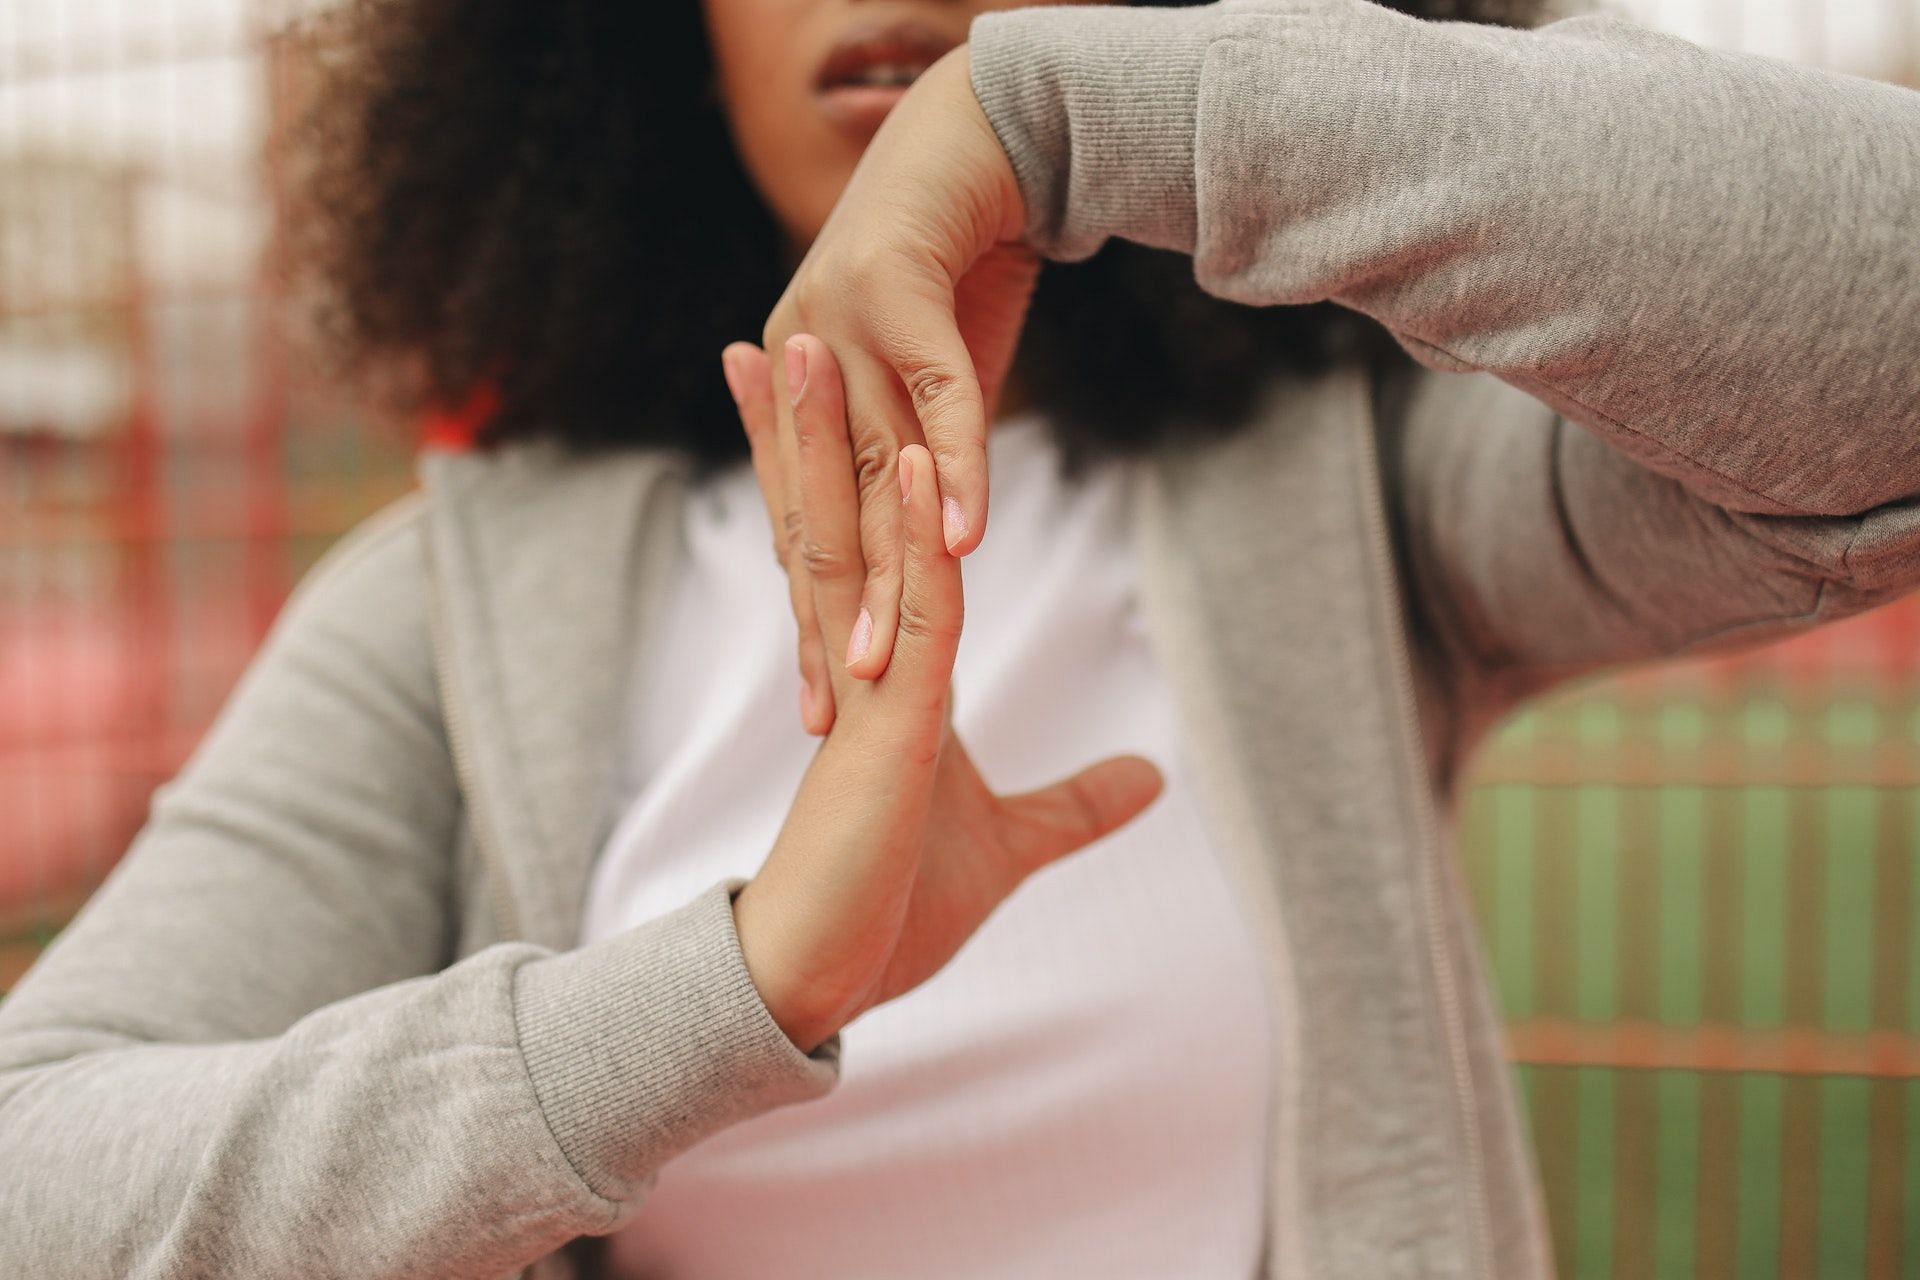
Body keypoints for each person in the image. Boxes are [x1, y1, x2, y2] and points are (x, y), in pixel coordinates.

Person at [1, 0, 1915, 1276]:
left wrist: (1082, 112)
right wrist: (732, 991)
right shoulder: (441, 600)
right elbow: (38, 1175)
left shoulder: (1345, 490)